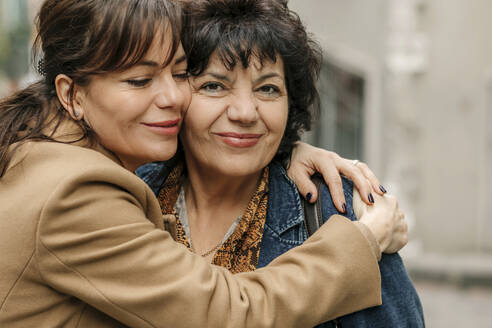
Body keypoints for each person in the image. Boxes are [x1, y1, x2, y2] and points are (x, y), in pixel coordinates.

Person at [0, 0, 407, 327]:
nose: (171, 98)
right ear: (71, 95)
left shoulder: (339, 206)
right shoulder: (86, 190)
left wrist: (287, 149)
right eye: (212, 85)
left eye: (178, 74)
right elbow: (228, 312)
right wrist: (364, 241)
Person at [138, 0, 423, 326]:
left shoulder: (339, 213)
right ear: (174, 95)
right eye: (214, 86)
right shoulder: (134, 197)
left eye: (268, 89)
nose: (245, 112)